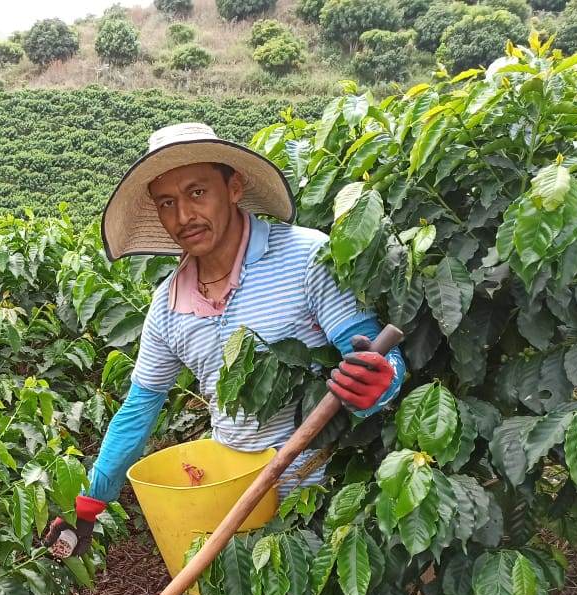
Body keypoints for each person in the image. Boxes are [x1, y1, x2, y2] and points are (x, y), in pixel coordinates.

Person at [44, 123, 406, 557]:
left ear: (234, 187)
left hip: (321, 506)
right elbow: (138, 411)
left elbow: (374, 357)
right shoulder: (168, 305)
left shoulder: (306, 258)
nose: (183, 216)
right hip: (233, 509)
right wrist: (88, 506)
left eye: (197, 192)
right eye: (167, 203)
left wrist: (378, 383)